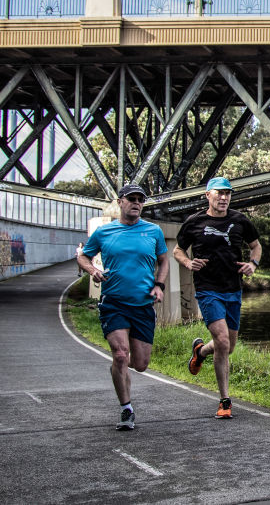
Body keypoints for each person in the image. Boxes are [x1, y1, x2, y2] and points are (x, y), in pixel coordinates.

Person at [77, 183, 169, 431]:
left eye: (140, 199)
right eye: (132, 199)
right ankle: (126, 409)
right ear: (120, 202)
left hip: (143, 305)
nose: (137, 203)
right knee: (120, 354)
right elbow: (83, 256)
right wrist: (93, 270)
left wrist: (159, 285)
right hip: (114, 303)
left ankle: (121, 370)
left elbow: (164, 260)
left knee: (140, 364)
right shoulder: (105, 233)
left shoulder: (153, 231)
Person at [174, 177, 261, 419]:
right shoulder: (195, 222)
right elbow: (177, 250)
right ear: (208, 195)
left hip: (233, 289)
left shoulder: (240, 220)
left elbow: (256, 246)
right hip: (207, 288)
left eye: (228, 194)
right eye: (219, 193)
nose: (224, 198)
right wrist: (188, 262)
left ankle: (200, 352)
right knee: (222, 341)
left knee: (229, 347)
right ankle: (225, 401)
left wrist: (253, 263)